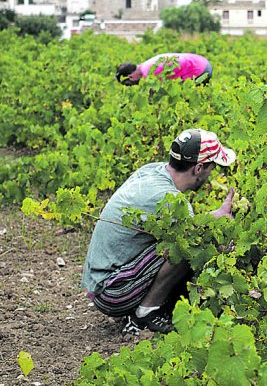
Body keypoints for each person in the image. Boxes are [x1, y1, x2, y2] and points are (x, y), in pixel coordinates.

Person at [81, 129, 236, 334]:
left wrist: (213, 216)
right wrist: (227, 241)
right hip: (112, 293)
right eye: (211, 168)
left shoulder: (152, 171)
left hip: (99, 281)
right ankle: (146, 312)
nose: (210, 175)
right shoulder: (170, 200)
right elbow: (193, 235)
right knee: (192, 243)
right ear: (199, 168)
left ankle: (158, 305)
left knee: (185, 237)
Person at [116, 53, 212, 86]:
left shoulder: (148, 73)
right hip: (201, 60)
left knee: (184, 98)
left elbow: (156, 95)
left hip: (201, 70)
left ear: (130, 76)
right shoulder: (144, 65)